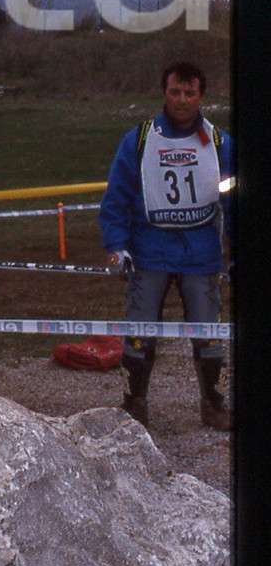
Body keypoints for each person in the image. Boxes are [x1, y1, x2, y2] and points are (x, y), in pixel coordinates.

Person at [98, 60, 235, 431]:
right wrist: (117, 245)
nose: (182, 99)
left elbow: (235, 203)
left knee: (209, 334)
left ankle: (213, 402)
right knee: (140, 334)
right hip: (149, 252)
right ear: (165, 93)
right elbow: (115, 200)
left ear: (201, 95)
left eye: (189, 93)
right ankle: (135, 403)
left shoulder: (220, 144)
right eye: (175, 91)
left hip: (201, 255)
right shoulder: (139, 141)